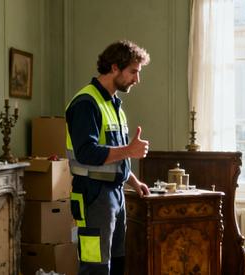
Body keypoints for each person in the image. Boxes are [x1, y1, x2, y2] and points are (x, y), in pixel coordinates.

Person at [65, 40, 151, 275]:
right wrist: (130, 151)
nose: (137, 79)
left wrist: (134, 181)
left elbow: (115, 154)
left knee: (117, 263)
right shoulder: (86, 103)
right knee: (96, 268)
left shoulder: (114, 105)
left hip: (115, 194)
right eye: (133, 72)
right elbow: (87, 152)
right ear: (115, 67)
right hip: (93, 195)